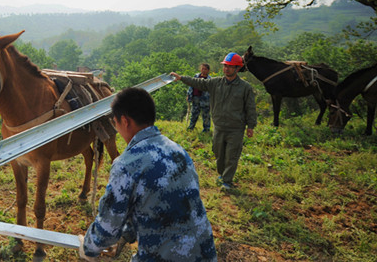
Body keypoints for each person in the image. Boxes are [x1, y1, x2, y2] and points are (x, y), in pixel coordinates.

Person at [78, 87, 216, 261]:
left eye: (115, 123)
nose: (117, 129)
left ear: (125, 121)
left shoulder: (126, 164)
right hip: (204, 254)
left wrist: (88, 247)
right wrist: (127, 233)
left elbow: (107, 229)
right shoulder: (178, 151)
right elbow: (159, 203)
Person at [171, 52, 257, 190]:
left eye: (229, 66)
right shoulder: (215, 83)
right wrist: (181, 78)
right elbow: (198, 82)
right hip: (219, 127)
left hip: (236, 128)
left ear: (237, 68)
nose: (226, 69)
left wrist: (251, 126)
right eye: (225, 66)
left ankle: (227, 181)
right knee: (218, 153)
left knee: (231, 156)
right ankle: (222, 175)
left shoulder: (245, 87)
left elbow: (250, 107)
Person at [187, 63, 211, 132]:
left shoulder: (209, 79)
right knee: (194, 113)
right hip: (195, 97)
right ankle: (191, 127)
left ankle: (206, 129)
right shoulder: (196, 76)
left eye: (205, 69)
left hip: (205, 99)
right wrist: (189, 95)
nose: (203, 70)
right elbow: (191, 85)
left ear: (208, 70)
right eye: (202, 68)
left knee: (206, 115)